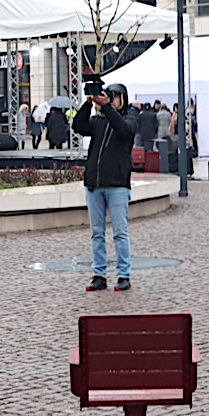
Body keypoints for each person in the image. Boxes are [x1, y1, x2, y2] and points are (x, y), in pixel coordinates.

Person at [74, 82, 136, 292]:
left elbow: (123, 130)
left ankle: (123, 274)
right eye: (109, 95)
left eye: (115, 96)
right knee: (96, 233)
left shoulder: (130, 117)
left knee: (120, 232)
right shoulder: (98, 121)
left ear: (123, 99)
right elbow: (78, 126)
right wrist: (88, 103)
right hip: (95, 183)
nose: (112, 99)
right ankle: (99, 274)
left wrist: (107, 107)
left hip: (117, 183)